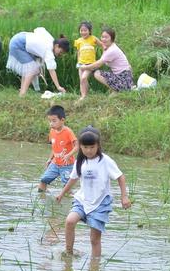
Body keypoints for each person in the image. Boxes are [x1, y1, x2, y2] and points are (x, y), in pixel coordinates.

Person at [56, 127, 131, 258]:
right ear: (80, 147)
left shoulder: (105, 160)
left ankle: (94, 266)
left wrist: (124, 197)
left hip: (100, 202)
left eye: (92, 147)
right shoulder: (80, 161)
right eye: (85, 147)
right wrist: (62, 193)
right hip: (82, 199)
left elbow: (120, 177)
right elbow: (73, 179)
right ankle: (68, 254)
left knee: (94, 239)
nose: (88, 151)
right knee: (69, 221)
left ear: (98, 146)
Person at [6, 27, 69, 96]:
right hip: (18, 44)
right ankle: (22, 93)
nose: (60, 54)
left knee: (30, 69)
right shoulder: (48, 50)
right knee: (32, 69)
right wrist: (58, 87)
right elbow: (52, 70)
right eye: (61, 52)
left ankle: (22, 90)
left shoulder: (51, 39)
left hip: (19, 38)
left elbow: (39, 29)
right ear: (57, 46)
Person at [80, 28, 134, 94]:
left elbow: (97, 64)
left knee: (97, 73)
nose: (103, 39)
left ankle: (117, 90)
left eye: (106, 37)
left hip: (123, 78)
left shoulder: (111, 50)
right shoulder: (110, 47)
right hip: (124, 78)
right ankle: (117, 90)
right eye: (102, 37)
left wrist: (84, 67)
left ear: (112, 38)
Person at [38, 105, 77, 192]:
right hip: (55, 164)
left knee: (67, 187)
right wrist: (50, 159)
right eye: (50, 121)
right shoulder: (52, 131)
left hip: (67, 165)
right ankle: (41, 199)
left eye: (54, 121)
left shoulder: (68, 132)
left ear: (62, 120)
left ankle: (68, 203)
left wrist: (68, 155)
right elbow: (54, 147)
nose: (51, 123)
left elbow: (77, 146)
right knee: (43, 181)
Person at [74, 21, 103, 101]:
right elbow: (78, 52)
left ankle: (84, 96)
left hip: (90, 64)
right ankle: (84, 95)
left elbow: (102, 46)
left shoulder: (93, 38)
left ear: (89, 31)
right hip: (81, 63)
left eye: (85, 30)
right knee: (82, 80)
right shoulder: (78, 41)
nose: (83, 32)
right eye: (81, 30)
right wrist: (78, 62)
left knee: (84, 78)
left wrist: (105, 55)